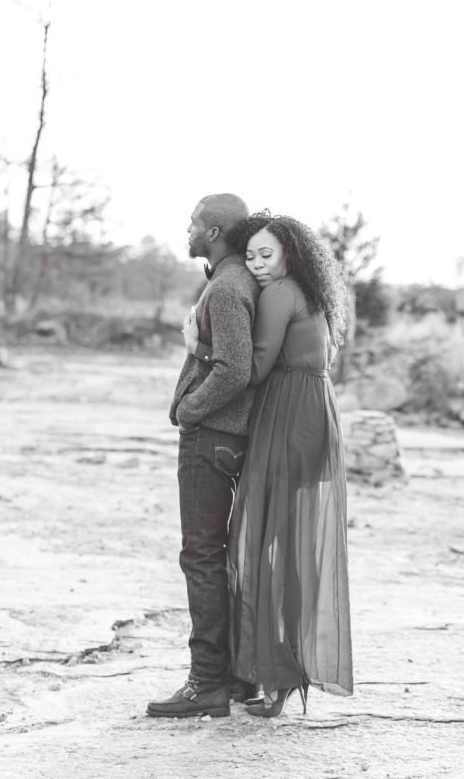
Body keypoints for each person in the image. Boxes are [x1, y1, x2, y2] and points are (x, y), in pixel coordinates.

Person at [187, 210, 353, 717]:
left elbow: (253, 367)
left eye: (266, 255)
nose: (257, 264)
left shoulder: (280, 293)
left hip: (288, 418)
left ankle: (272, 674)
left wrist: (197, 346)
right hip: (315, 415)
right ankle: (276, 676)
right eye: (251, 255)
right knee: (287, 546)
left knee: (261, 546)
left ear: (290, 255)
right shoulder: (310, 293)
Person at [146, 194, 259, 719]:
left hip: (211, 436)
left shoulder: (229, 287)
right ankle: (237, 677)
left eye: (193, 222)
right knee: (218, 556)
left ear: (213, 231)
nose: (187, 230)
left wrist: (190, 409)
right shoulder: (231, 280)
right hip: (220, 436)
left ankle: (207, 682)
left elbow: (235, 368)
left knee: (201, 556)